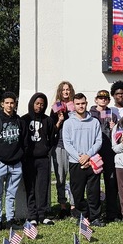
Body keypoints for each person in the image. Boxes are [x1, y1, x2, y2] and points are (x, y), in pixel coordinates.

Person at [61, 92, 104, 224]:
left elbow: (98, 141)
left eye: (83, 103)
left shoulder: (94, 122)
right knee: (77, 192)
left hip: (91, 161)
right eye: (78, 104)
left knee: (93, 191)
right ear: (73, 105)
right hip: (76, 162)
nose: (81, 106)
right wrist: (79, 157)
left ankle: (95, 216)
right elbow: (67, 144)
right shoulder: (68, 123)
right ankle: (83, 215)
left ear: (86, 103)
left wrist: (88, 155)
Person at [0, 92, 24, 229]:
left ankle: (10, 219)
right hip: (1, 164)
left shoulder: (19, 121)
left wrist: (21, 156)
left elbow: (24, 142)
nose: (9, 105)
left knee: (11, 194)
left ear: (15, 104)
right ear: (2, 104)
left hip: (16, 164)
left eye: (12, 103)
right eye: (7, 103)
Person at [22, 92, 57, 226]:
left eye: (42, 104)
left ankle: (42, 215)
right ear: (32, 104)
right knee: (30, 187)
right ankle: (32, 216)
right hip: (28, 159)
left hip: (43, 159)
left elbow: (53, 138)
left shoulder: (48, 120)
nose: (39, 106)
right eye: (37, 103)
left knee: (42, 187)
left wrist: (47, 151)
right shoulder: (24, 120)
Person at [90, 90, 121, 222]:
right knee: (94, 184)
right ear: (96, 100)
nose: (103, 100)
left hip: (109, 152)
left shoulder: (112, 115)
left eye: (105, 98)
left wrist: (114, 128)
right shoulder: (90, 114)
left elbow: (118, 136)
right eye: (100, 98)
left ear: (108, 101)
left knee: (111, 183)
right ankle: (95, 214)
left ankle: (112, 213)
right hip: (95, 152)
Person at [50, 81, 75, 218]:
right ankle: (63, 206)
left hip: (74, 146)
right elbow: (51, 129)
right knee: (60, 177)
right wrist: (59, 120)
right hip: (59, 145)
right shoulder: (56, 107)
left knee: (74, 178)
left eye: (68, 89)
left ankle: (73, 205)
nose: (66, 92)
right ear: (60, 92)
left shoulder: (75, 105)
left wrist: (72, 111)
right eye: (63, 90)